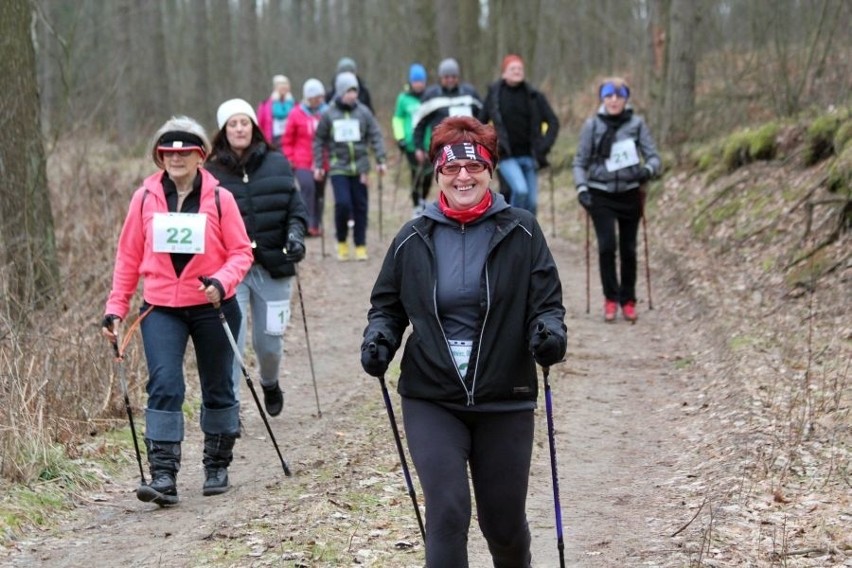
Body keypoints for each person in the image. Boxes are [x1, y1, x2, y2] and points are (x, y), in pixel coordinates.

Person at [361, 116, 567, 566]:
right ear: (438, 174)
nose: (463, 176)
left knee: (504, 524)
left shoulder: (523, 231)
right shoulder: (412, 238)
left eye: (473, 167)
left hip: (504, 396)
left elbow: (546, 304)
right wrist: (379, 339)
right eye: (451, 169)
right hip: (432, 396)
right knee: (448, 512)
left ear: (489, 171)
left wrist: (548, 334)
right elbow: (387, 307)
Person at [101, 116, 253, 505]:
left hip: (212, 306)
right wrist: (116, 307)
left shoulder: (221, 198)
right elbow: (128, 257)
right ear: (159, 156)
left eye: (185, 151)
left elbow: (240, 253)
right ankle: (164, 476)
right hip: (161, 308)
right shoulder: (144, 198)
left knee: (218, 385)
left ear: (200, 155)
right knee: (165, 384)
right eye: (168, 151)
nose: (176, 157)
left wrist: (221, 282)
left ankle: (217, 464)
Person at [204, 98, 308, 420]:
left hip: (274, 267)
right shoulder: (209, 173)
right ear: (223, 130)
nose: (239, 128)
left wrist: (295, 237)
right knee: (232, 343)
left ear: (254, 127)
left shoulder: (278, 163)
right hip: (232, 271)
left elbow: (296, 209)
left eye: (244, 122)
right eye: (232, 124)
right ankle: (230, 410)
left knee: (269, 344)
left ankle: (270, 381)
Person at [572, 77, 661, 323]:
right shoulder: (592, 125)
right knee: (607, 245)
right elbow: (580, 161)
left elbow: (654, 157)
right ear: (602, 99)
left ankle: (628, 300)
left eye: (619, 96)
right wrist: (582, 188)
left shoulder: (636, 124)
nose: (614, 100)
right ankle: (610, 298)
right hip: (600, 193)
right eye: (609, 96)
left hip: (630, 193)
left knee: (629, 249)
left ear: (626, 99)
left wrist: (648, 171)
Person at [312, 71, 386, 261]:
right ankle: (342, 241)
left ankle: (360, 244)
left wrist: (380, 159)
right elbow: (319, 139)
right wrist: (319, 164)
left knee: (360, 206)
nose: (352, 95)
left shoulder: (363, 112)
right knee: (343, 204)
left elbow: (375, 135)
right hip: (339, 167)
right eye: (348, 91)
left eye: (355, 91)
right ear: (340, 92)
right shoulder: (329, 113)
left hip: (361, 167)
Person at [480, 54, 560, 216]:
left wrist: (544, 146)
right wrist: (490, 146)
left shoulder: (534, 96)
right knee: (520, 190)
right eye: (513, 69)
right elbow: (480, 123)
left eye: (520, 68)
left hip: (530, 156)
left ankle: (528, 234)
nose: (517, 71)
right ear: (504, 73)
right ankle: (512, 227)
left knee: (532, 202)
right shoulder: (494, 96)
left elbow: (553, 122)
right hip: (506, 156)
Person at [412, 57, 483, 168]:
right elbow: (418, 123)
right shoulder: (431, 95)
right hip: (442, 147)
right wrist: (418, 147)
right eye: (446, 77)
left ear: (458, 77)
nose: (450, 80)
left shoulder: (470, 93)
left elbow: (482, 118)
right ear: (441, 77)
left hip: (468, 145)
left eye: (453, 76)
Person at [283, 79, 329, 237]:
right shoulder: (296, 113)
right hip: (301, 160)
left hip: (322, 159)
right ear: (308, 98)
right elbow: (288, 138)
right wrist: (289, 156)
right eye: (316, 97)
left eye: (321, 97)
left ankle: (317, 222)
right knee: (308, 188)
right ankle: (308, 223)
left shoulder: (327, 112)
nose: (319, 100)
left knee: (320, 192)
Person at [392, 62, 432, 217]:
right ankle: (416, 205)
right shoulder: (403, 98)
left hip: (429, 142)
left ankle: (423, 199)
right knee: (416, 174)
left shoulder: (430, 96)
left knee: (429, 175)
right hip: (410, 144)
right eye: (416, 81)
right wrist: (400, 137)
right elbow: (398, 119)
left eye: (421, 81)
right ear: (411, 81)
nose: (419, 84)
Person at [256, 74, 295, 149]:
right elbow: (260, 125)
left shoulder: (295, 105)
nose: (283, 87)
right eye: (280, 85)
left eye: (285, 85)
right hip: (272, 141)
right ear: (275, 87)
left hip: (291, 143)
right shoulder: (265, 106)